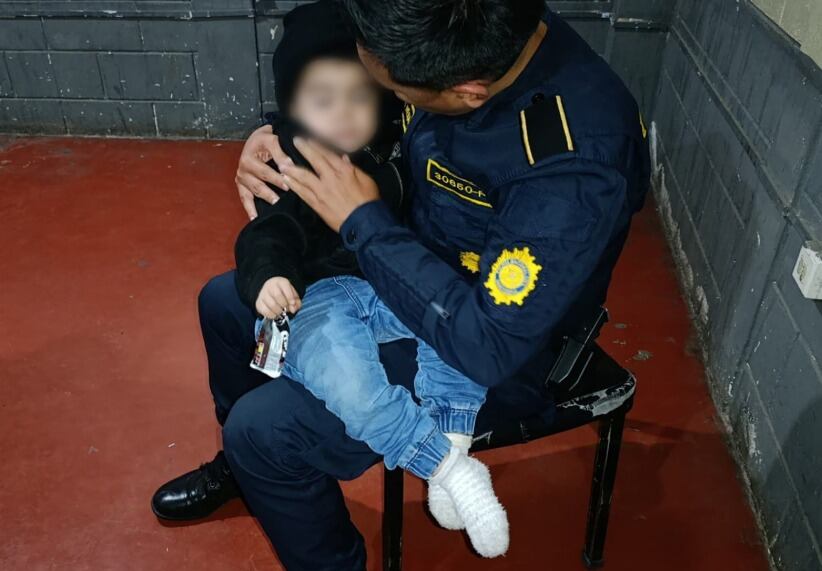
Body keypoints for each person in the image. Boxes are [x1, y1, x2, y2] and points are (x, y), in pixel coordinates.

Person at [152, 1, 650, 569]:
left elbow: (489, 343)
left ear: (466, 92)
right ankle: (250, 477)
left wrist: (362, 222)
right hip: (403, 266)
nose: (386, 95)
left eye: (397, 91)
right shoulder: (447, 22)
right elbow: (334, 40)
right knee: (224, 303)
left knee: (261, 432)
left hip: (495, 345)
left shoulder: (574, 165)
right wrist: (280, 137)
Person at [231, 0, 508, 556]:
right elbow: (268, 233)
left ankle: (455, 432)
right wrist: (268, 275)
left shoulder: (396, 147)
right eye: (322, 100)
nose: (343, 114)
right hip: (323, 295)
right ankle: (446, 467)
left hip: (395, 282)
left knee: (452, 319)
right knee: (345, 376)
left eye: (358, 97)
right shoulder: (297, 167)